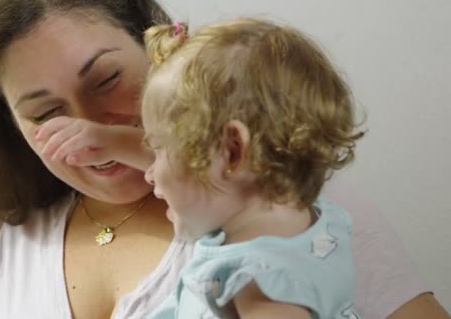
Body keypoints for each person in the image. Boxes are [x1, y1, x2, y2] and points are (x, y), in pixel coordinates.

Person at [0, 0, 448, 318]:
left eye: (106, 80)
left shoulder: (284, 205)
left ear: (158, 51)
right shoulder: (25, 242)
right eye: (46, 113)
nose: (87, 129)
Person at [140, 18, 362, 318]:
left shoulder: (260, 288)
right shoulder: (318, 225)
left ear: (232, 152)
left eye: (158, 149)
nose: (149, 173)